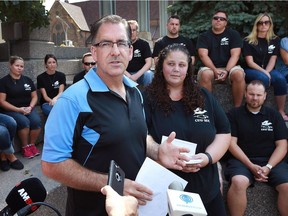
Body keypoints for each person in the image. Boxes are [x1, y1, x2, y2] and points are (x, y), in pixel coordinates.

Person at [41, 15, 189, 216]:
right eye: (106, 44)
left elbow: (139, 136)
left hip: (139, 208)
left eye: (121, 43)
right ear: (94, 51)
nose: (115, 51)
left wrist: (157, 151)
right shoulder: (72, 101)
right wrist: (114, 185)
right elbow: (52, 165)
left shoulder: (136, 92)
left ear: (130, 51)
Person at [143, 44, 231, 215]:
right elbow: (141, 135)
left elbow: (224, 132)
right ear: (161, 66)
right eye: (171, 64)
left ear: (188, 68)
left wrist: (207, 157)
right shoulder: (147, 98)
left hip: (206, 186)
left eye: (182, 65)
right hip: (166, 187)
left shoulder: (204, 96)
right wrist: (158, 150)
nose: (176, 69)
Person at [224, 80, 288, 216]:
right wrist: (251, 166)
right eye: (251, 94)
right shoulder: (233, 115)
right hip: (241, 160)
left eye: (258, 95)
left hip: (271, 161)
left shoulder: (274, 115)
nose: (254, 98)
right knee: (238, 181)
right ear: (245, 94)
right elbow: (231, 143)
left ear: (265, 95)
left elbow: (282, 145)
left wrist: (269, 167)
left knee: (287, 186)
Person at [243, 13, 288, 121]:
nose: (263, 25)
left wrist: (267, 72)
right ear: (256, 25)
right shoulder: (248, 40)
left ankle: (280, 111)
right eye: (260, 22)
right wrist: (265, 73)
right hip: (251, 69)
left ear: (270, 24)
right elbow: (250, 62)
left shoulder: (275, 40)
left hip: (268, 69)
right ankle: (257, 110)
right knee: (263, 78)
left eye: (266, 22)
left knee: (280, 79)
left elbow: (273, 59)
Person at [196, 10, 245, 107]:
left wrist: (226, 70)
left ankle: (237, 110)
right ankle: (208, 109)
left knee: (239, 74)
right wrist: (214, 70)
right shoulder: (203, 36)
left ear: (226, 23)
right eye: (216, 18)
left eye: (222, 19)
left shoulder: (233, 34)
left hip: (230, 68)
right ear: (212, 20)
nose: (218, 20)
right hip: (210, 68)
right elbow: (203, 55)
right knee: (205, 74)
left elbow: (235, 55)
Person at [0, 56, 41, 159]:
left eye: (21, 66)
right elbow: (2, 101)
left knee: (36, 121)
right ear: (10, 66)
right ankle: (25, 147)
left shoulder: (27, 80)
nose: (19, 68)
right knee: (24, 122)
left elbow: (34, 96)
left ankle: (31, 145)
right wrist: (18, 109)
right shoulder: (3, 82)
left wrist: (30, 107)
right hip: (11, 110)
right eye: (17, 65)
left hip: (28, 108)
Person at [124, 20, 154, 87]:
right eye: (129, 30)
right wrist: (128, 76)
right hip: (126, 74)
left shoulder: (144, 44)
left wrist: (135, 76)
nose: (131, 32)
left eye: (134, 30)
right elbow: (118, 63)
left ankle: (148, 97)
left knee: (149, 74)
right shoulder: (121, 45)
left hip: (141, 74)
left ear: (137, 32)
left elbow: (149, 63)